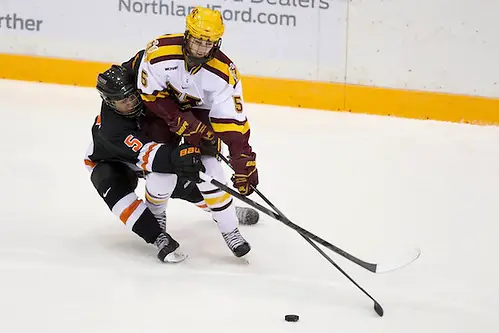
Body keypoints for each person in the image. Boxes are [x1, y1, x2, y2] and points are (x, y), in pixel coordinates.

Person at [135, 6, 258, 258]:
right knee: (161, 172)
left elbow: (233, 124)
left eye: (209, 42)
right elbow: (149, 95)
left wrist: (243, 161)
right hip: (162, 113)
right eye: (198, 40)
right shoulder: (160, 52)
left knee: (212, 173)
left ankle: (230, 230)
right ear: (187, 34)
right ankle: (157, 225)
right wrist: (179, 119)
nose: (202, 48)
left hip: (202, 116)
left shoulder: (225, 72)